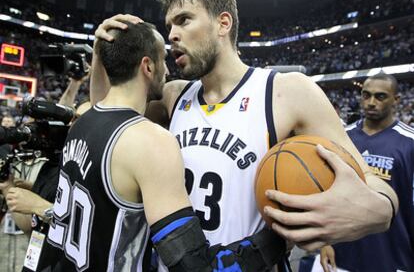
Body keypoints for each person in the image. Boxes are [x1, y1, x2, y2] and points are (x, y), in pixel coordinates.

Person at [91, 0, 398, 259]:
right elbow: (108, 117)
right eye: (169, 25)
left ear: (223, 23)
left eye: (184, 20)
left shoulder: (286, 91)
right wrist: (99, 54)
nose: (172, 34)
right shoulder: (174, 94)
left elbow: (368, 179)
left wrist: (382, 209)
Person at [47, 21, 286, 272]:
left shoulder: (82, 123)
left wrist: (99, 52)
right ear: (148, 66)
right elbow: (195, 267)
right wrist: (278, 240)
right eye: (163, 60)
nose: (168, 72)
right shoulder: (149, 141)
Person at [319, 74, 414, 272]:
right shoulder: (342, 136)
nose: (371, 102)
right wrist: (325, 242)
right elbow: (326, 192)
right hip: (341, 257)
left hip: (392, 258)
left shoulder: (409, 142)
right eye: (366, 95)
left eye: (380, 97)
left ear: (396, 99)